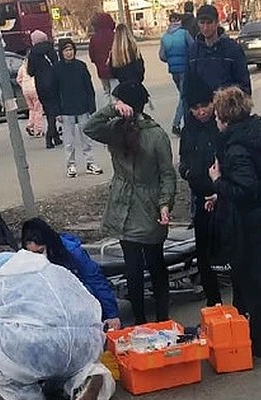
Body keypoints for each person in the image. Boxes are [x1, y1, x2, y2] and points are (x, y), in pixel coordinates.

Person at [0, 245, 116, 400]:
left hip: (39, 345)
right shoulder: (53, 269)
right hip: (86, 343)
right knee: (63, 360)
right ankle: (83, 377)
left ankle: (25, 396)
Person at [83, 81, 176, 325]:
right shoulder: (115, 128)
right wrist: (113, 110)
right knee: (133, 268)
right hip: (123, 205)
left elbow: (167, 173)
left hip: (148, 206)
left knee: (155, 264)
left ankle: (163, 317)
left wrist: (165, 203)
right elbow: (89, 127)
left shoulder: (156, 135)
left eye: (117, 100)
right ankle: (140, 320)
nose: (114, 104)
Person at [208, 86, 261, 358]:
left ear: (225, 117)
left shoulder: (237, 146)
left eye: (217, 116)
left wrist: (218, 182)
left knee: (251, 281)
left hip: (246, 222)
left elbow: (244, 189)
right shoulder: (259, 134)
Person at [19, 218, 120, 329]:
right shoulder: (24, 258)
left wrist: (112, 315)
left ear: (49, 244)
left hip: (77, 298)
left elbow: (95, 280)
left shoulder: (72, 252)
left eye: (40, 251)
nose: (37, 257)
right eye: (32, 253)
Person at [177, 72, 224, 307]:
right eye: (195, 108)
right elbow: (183, 159)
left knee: (227, 250)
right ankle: (212, 297)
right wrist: (186, 172)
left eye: (204, 106)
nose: (201, 112)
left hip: (223, 196)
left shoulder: (221, 125)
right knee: (204, 252)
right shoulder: (189, 129)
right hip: (200, 197)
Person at [181, 4, 251, 119]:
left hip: (228, 115)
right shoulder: (193, 52)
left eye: (209, 23)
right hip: (202, 117)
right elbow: (187, 88)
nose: (205, 27)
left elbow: (244, 84)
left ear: (217, 22)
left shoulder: (232, 49)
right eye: (202, 23)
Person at [52, 37, 103, 178]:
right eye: (66, 50)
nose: (69, 53)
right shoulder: (56, 69)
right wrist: (56, 111)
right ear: (61, 52)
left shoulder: (81, 66)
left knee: (86, 137)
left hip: (82, 107)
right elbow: (54, 92)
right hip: (66, 109)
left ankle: (90, 162)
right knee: (68, 140)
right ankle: (71, 165)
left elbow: (89, 87)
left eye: (71, 49)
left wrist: (91, 105)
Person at [158, 10, 193, 135]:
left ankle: (188, 119)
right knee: (184, 97)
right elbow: (193, 48)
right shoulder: (184, 34)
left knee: (184, 95)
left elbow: (162, 55)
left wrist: (171, 60)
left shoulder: (165, 37)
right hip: (185, 69)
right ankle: (176, 123)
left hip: (174, 71)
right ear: (180, 21)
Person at [26, 29, 61, 149]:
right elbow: (56, 65)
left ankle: (55, 137)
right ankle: (50, 137)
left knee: (48, 110)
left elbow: (30, 72)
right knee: (53, 111)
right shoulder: (50, 49)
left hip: (40, 85)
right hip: (53, 83)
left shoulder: (32, 53)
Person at [87, 11, 117, 100]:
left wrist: (99, 63)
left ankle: (109, 107)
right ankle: (117, 109)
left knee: (107, 92)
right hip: (115, 70)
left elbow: (92, 55)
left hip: (102, 71)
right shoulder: (115, 36)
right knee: (116, 92)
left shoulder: (94, 38)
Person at [16, 55, 46, 138]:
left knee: (31, 109)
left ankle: (30, 125)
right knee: (38, 110)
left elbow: (18, 79)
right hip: (35, 89)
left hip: (25, 91)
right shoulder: (35, 67)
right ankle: (38, 129)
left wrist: (23, 85)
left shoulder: (22, 68)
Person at [109, 23, 145, 89]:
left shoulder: (114, 52)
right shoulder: (134, 49)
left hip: (123, 87)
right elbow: (140, 68)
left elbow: (113, 72)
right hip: (136, 85)